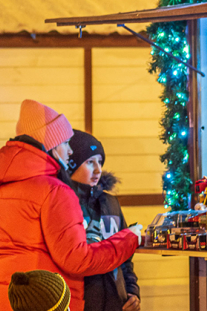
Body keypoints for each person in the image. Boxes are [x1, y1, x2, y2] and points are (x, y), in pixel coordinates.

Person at [0, 100, 142, 311]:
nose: (70, 152)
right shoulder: (55, 191)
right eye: (65, 144)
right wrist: (129, 238)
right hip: (44, 305)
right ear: (52, 146)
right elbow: (77, 259)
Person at [66, 131, 140, 311]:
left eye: (100, 162)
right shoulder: (64, 205)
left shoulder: (111, 203)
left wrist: (131, 292)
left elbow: (125, 258)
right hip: (79, 303)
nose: (98, 170)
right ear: (71, 166)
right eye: (90, 162)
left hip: (116, 303)